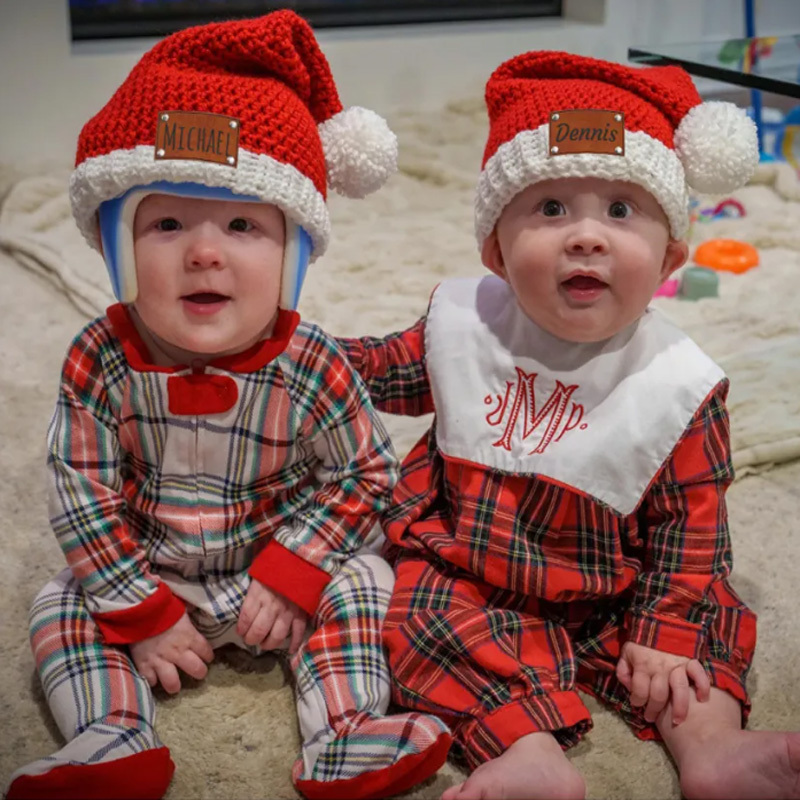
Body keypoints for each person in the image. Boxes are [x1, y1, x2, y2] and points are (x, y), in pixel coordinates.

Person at [5, 11, 452, 800]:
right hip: (152, 570)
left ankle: (345, 730)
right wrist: (138, 610)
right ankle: (111, 735)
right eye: (167, 222)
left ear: (292, 260)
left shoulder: (311, 360)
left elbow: (368, 476)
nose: (204, 252)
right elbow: (81, 495)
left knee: (369, 581)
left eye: (244, 225)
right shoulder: (99, 358)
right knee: (59, 602)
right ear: (116, 247)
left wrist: (293, 570)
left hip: (279, 565)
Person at [338, 51, 800, 800]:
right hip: (479, 573)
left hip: (625, 585)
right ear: (495, 249)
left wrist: (662, 626)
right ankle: (526, 752)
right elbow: (375, 370)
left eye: (621, 210)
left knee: (707, 618)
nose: (586, 236)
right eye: (551, 209)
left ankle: (716, 748)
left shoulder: (677, 382)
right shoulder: (465, 326)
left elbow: (694, 530)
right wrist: (294, 353)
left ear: (670, 257)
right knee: (419, 611)